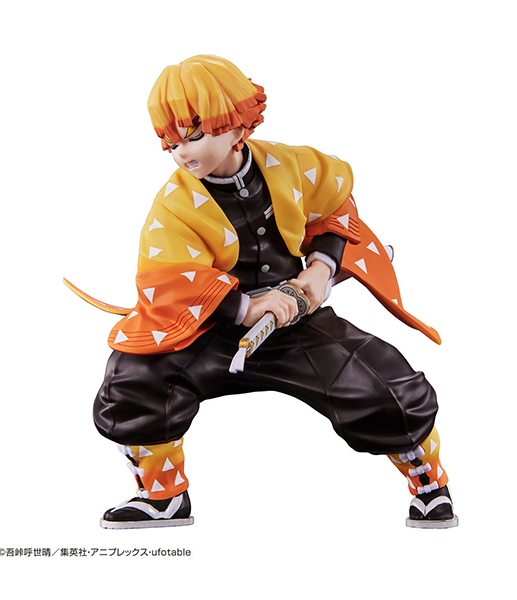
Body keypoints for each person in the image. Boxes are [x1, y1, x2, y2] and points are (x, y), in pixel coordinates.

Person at [90, 55, 457, 529]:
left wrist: (320, 271)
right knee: (133, 381)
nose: (182, 152)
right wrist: (246, 306)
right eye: (171, 142)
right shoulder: (174, 205)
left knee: (384, 383)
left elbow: (335, 208)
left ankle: (430, 486)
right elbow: (171, 277)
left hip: (297, 320)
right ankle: (162, 497)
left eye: (194, 135)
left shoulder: (292, 165)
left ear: (236, 123)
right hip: (207, 326)